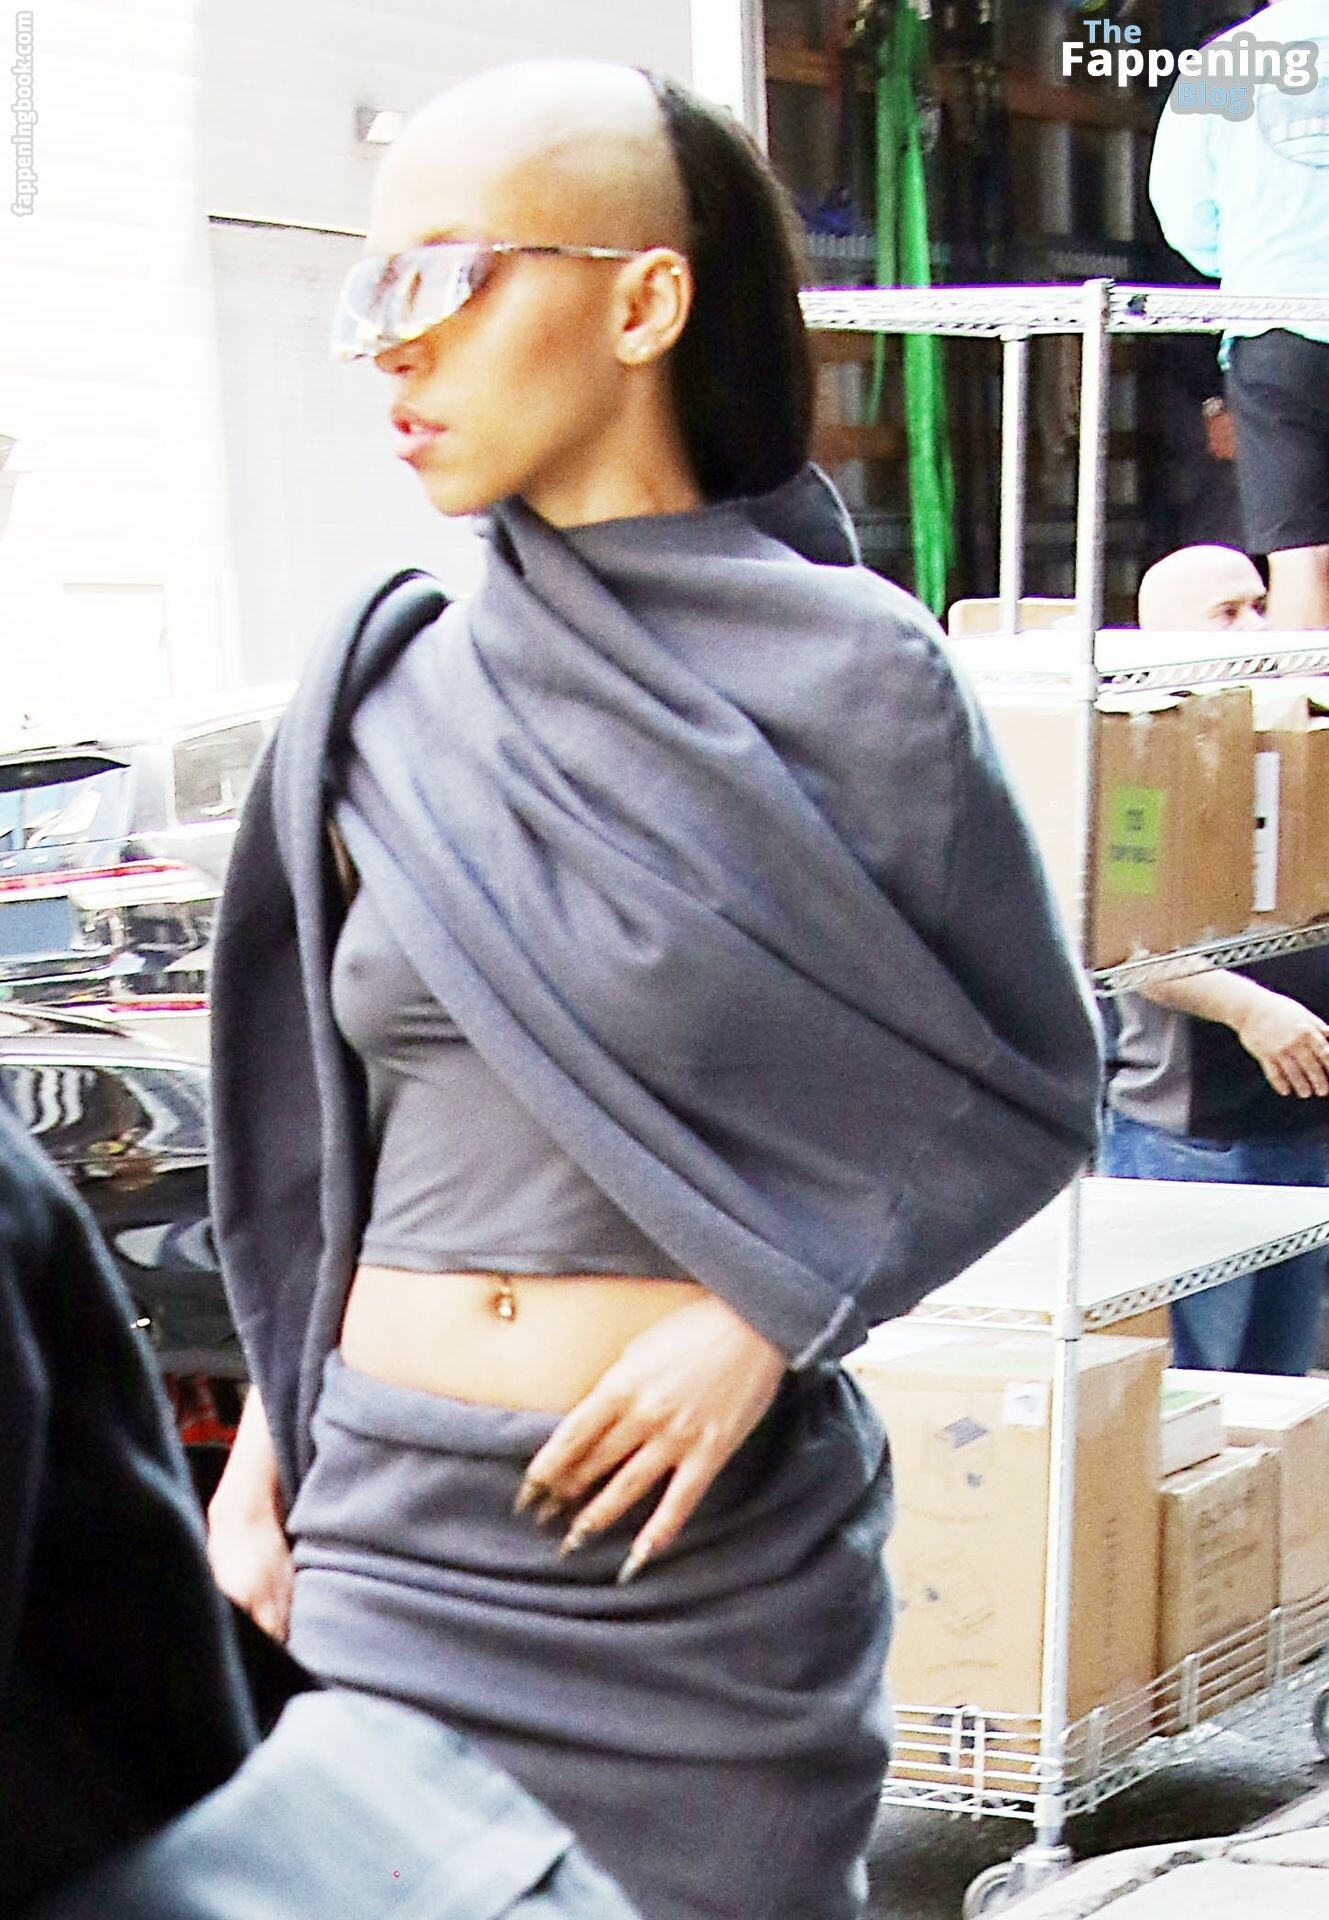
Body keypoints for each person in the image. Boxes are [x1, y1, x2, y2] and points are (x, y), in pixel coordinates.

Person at [203, 61, 1102, 1920]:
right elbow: (323, 1160)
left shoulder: (863, 685)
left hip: (699, 1581)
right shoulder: (387, 693)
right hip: (387, 1551)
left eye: (440, 280)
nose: (388, 346)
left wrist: (766, 1312)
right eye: (368, 293)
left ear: (643, 304)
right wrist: (265, 1465)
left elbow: (1025, 1086)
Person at [0, 1089, 639, 1920]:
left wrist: (771, 1324)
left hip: (663, 1533)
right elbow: (311, 1192)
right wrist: (248, 1503)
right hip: (390, 1521)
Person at [1100, 544, 1329, 1374]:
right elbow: (1123, 945)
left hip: (1302, 1129)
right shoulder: (1138, 759)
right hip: (1193, 1144)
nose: (1255, 628)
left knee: (1276, 1405)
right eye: (1226, 614)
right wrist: (1249, 1008)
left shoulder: (1294, 747)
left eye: (1259, 605)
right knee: (1186, 1396)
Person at [1149, 1, 1329, 629]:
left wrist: (1250, 262)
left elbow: (1181, 214)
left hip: (1276, 327)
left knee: (1302, 556)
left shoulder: (1225, 64)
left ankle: (1306, 694)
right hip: (1276, 315)